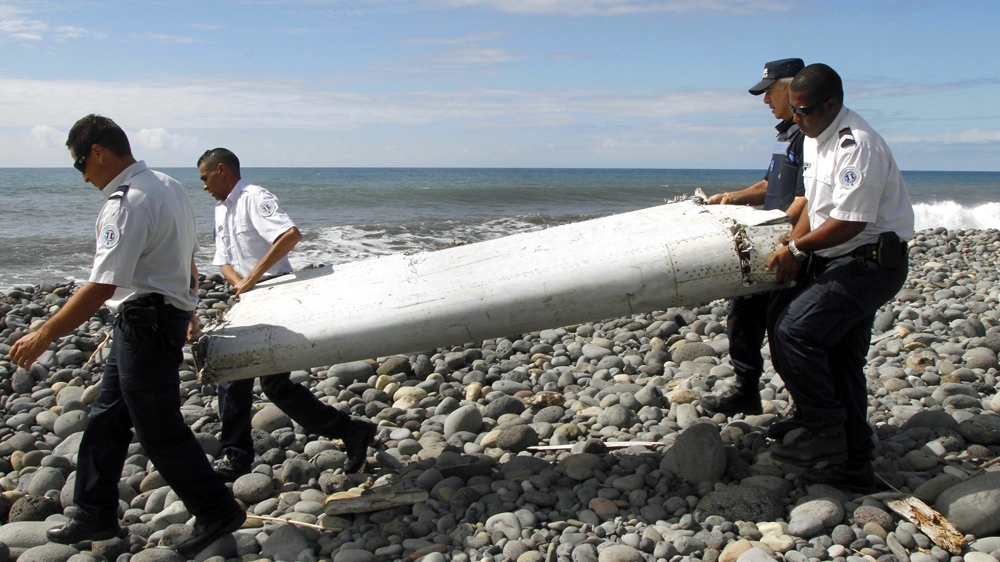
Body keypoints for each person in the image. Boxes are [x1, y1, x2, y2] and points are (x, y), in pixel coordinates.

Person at [10, 115, 244, 555]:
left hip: (146, 323)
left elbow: (101, 286)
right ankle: (94, 510)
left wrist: (45, 333)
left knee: (158, 428)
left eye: (80, 164)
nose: (82, 177)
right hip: (152, 317)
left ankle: (216, 508)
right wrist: (187, 304)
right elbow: (184, 253)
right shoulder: (167, 186)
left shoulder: (128, 201)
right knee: (107, 417)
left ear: (98, 152)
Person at [765, 64, 913, 491]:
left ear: (832, 104)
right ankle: (853, 462)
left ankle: (824, 429)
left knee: (796, 332)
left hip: (869, 263)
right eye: (793, 110)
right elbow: (816, 200)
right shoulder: (816, 136)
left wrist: (796, 249)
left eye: (804, 111)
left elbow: (849, 222)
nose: (796, 119)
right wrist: (795, 245)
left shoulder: (857, 146)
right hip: (837, 258)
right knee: (837, 355)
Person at [197, 148, 378, 479]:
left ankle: (346, 431)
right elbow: (223, 259)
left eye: (205, 178)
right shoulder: (221, 210)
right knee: (241, 377)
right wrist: (240, 284)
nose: (204, 186)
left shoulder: (254, 197)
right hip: (247, 298)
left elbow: (289, 235)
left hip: (275, 292)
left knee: (268, 381)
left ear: (221, 170)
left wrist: (251, 280)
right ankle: (237, 454)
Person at [701, 58, 807, 422]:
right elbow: (768, 186)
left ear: (792, 89)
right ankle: (746, 390)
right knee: (742, 316)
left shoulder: (810, 136)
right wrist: (731, 197)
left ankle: (804, 408)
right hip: (768, 243)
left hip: (790, 245)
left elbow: (805, 200)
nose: (765, 101)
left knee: (785, 330)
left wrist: (788, 243)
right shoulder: (785, 136)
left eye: (769, 92)